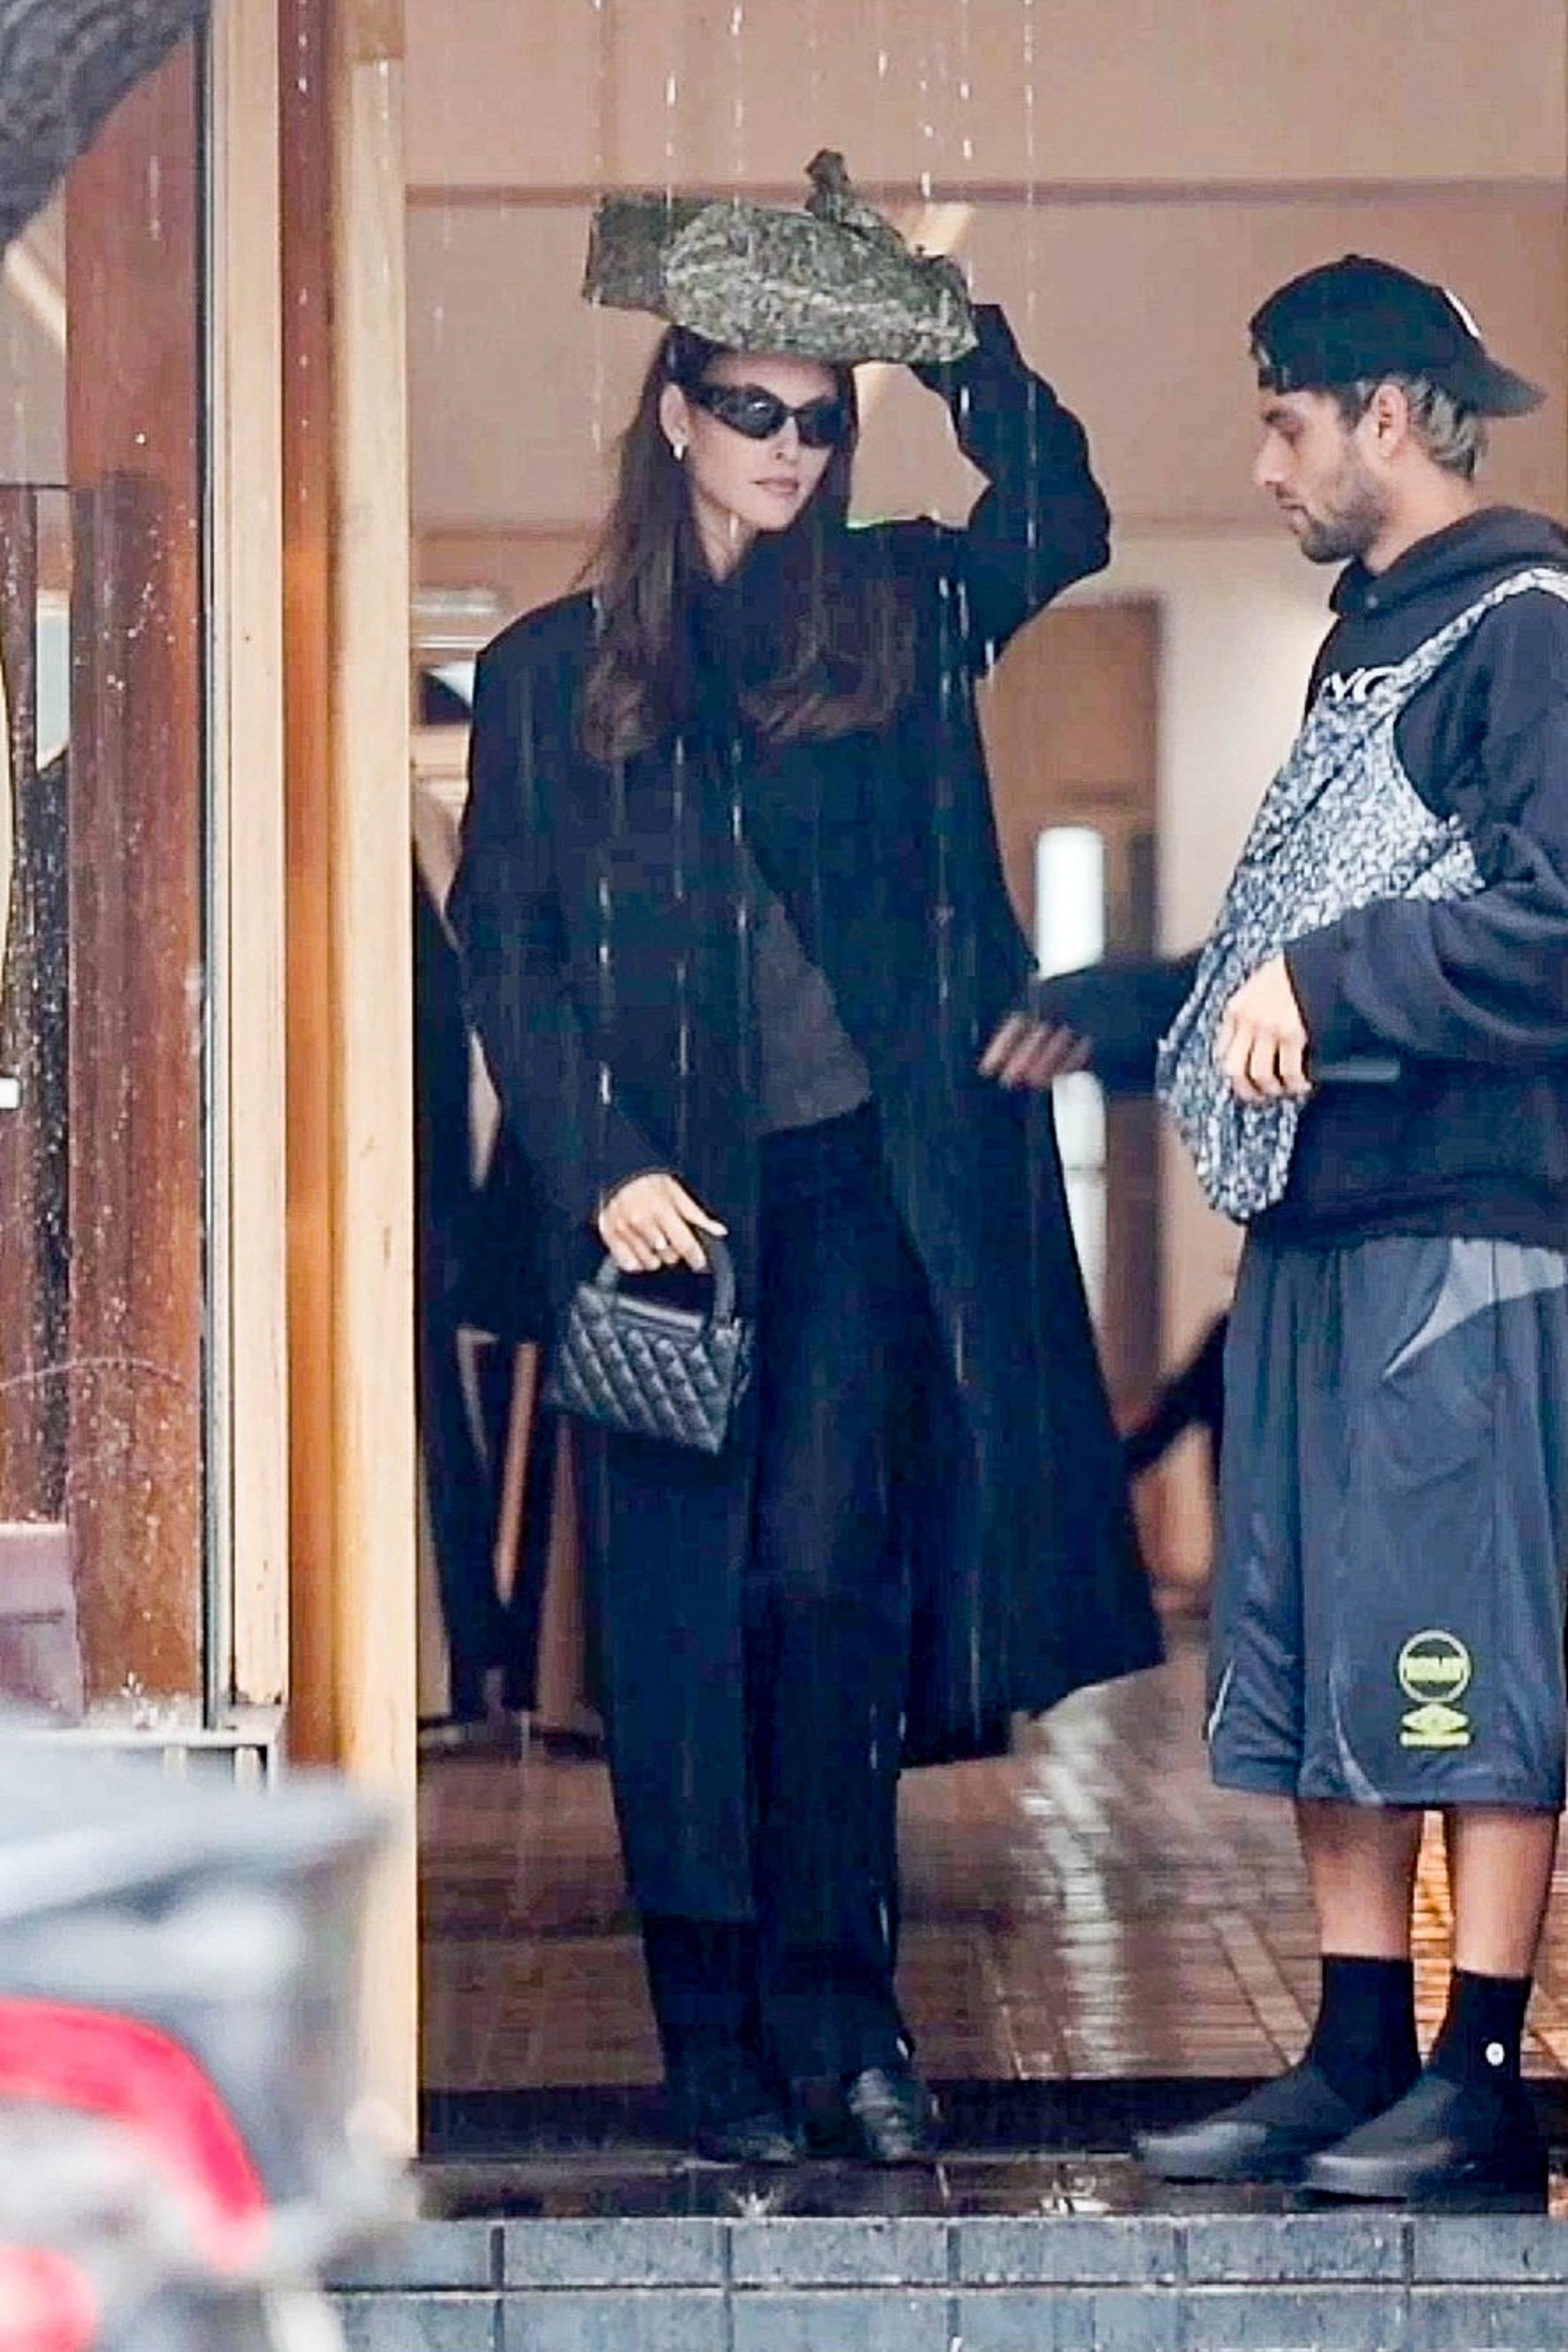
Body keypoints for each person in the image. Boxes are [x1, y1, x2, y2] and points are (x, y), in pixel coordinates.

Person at [449, 295, 1159, 2163]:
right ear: (674, 415)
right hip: (658, 1212)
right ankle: (709, 2037)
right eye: (752, 409)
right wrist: (595, 1160)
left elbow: (1061, 511)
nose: (788, 446)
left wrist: (955, 337)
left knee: (826, 1592)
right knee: (680, 1624)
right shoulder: (549, 673)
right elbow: (504, 951)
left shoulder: (901, 610)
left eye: (819, 419)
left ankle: (841, 2016)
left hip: (856, 1187)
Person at [1119, 255, 1568, 2206]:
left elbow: (1552, 919)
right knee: (1308, 1636)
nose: (1261, 458)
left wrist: (1338, 964)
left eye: (1282, 419)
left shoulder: (1526, 628)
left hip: (1464, 1224)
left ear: (1387, 410)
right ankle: (1347, 2047)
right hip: (1323, 1208)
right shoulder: (1366, 632)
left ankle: (1476, 2076)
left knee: (1458, 1644)